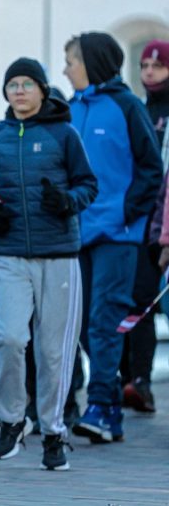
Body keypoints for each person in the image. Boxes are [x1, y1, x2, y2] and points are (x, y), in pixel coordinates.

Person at [0, 58, 97, 471]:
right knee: (8, 338)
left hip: (59, 256)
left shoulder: (64, 135)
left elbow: (88, 185)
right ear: (6, 93)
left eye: (27, 84)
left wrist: (67, 202)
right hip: (9, 256)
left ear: (42, 89)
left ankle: (54, 431)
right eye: (13, 85)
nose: (20, 91)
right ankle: (12, 419)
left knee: (52, 351)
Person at [63, 33, 161, 445]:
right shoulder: (68, 110)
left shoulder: (127, 106)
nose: (66, 69)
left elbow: (152, 168)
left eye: (71, 61)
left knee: (104, 320)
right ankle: (106, 404)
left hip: (117, 236)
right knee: (83, 325)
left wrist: (125, 214)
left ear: (93, 62)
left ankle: (102, 406)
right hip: (74, 235)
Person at [120, 39, 169, 413]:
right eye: (145, 66)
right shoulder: (138, 110)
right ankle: (136, 380)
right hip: (141, 220)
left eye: (158, 66)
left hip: (163, 221)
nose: (150, 72)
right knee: (138, 300)